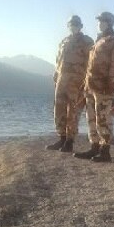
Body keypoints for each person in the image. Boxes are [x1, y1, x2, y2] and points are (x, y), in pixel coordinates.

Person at [74, 11, 114, 163]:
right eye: (99, 21)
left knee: (103, 117)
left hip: (104, 85)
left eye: (103, 21)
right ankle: (94, 146)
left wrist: (111, 80)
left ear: (110, 23)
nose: (100, 23)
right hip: (91, 85)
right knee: (91, 117)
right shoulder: (98, 40)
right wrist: (85, 82)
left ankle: (105, 150)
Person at [46, 15, 94, 153]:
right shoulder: (64, 41)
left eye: (76, 24)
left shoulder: (87, 42)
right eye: (71, 24)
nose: (73, 26)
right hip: (62, 80)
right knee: (59, 109)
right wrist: (56, 75)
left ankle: (69, 141)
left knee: (73, 111)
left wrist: (86, 81)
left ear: (80, 26)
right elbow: (58, 61)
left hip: (77, 81)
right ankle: (61, 137)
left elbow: (91, 62)